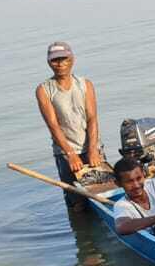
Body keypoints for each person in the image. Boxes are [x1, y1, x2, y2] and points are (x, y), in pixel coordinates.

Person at [35, 41, 104, 210]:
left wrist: (93, 149)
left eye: (63, 59)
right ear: (49, 63)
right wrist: (71, 154)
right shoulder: (44, 90)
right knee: (77, 203)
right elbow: (53, 125)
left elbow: (92, 119)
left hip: (91, 148)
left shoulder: (84, 84)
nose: (60, 64)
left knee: (101, 193)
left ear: (71, 59)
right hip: (66, 153)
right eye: (55, 60)